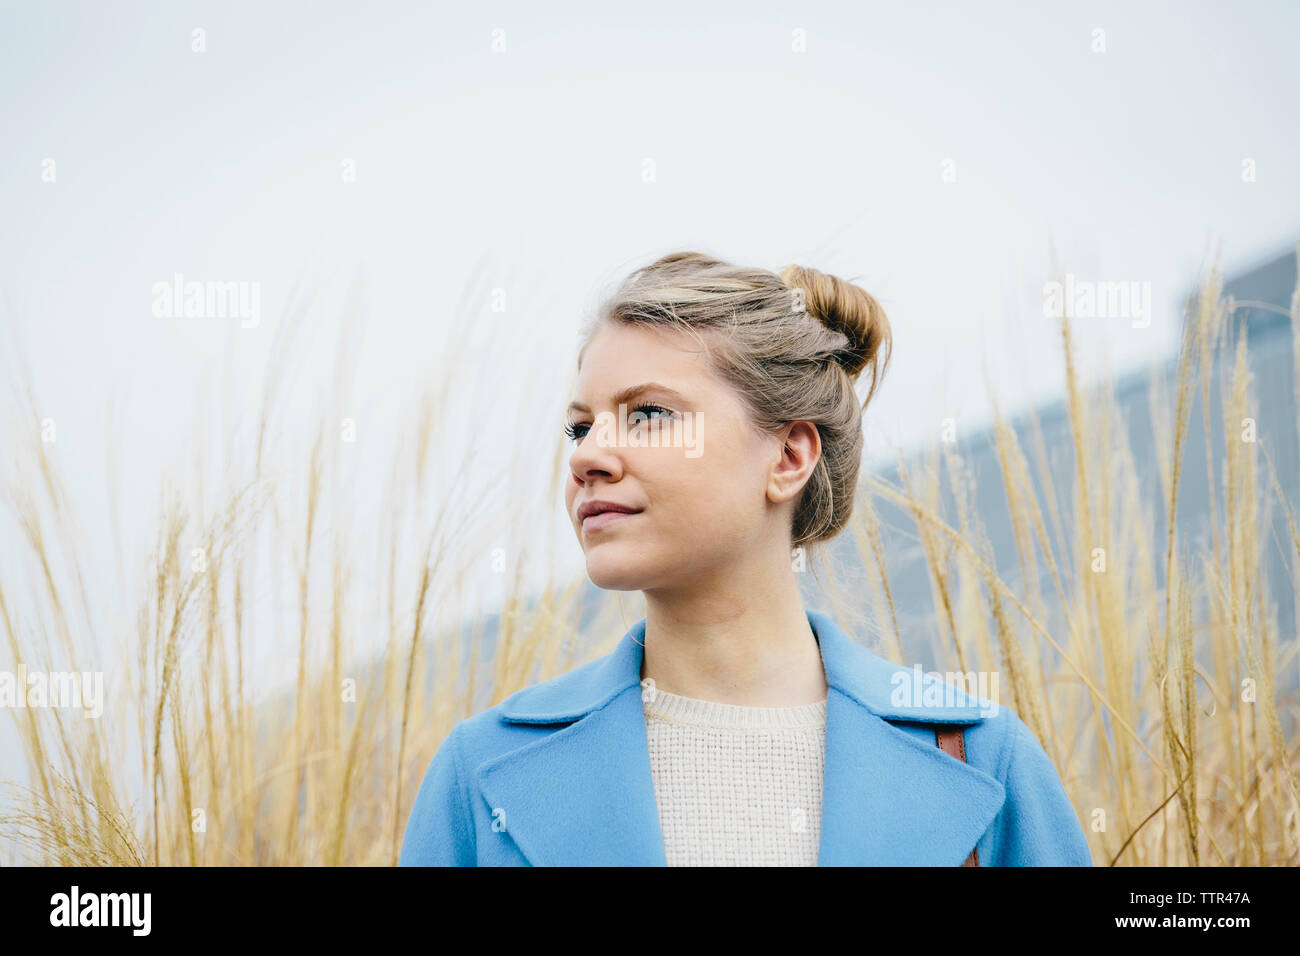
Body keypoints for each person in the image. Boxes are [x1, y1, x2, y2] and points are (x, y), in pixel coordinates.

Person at [399, 250, 1092, 866]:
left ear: (789, 456)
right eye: (580, 426)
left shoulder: (981, 760)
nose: (586, 455)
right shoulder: (479, 771)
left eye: (648, 415)